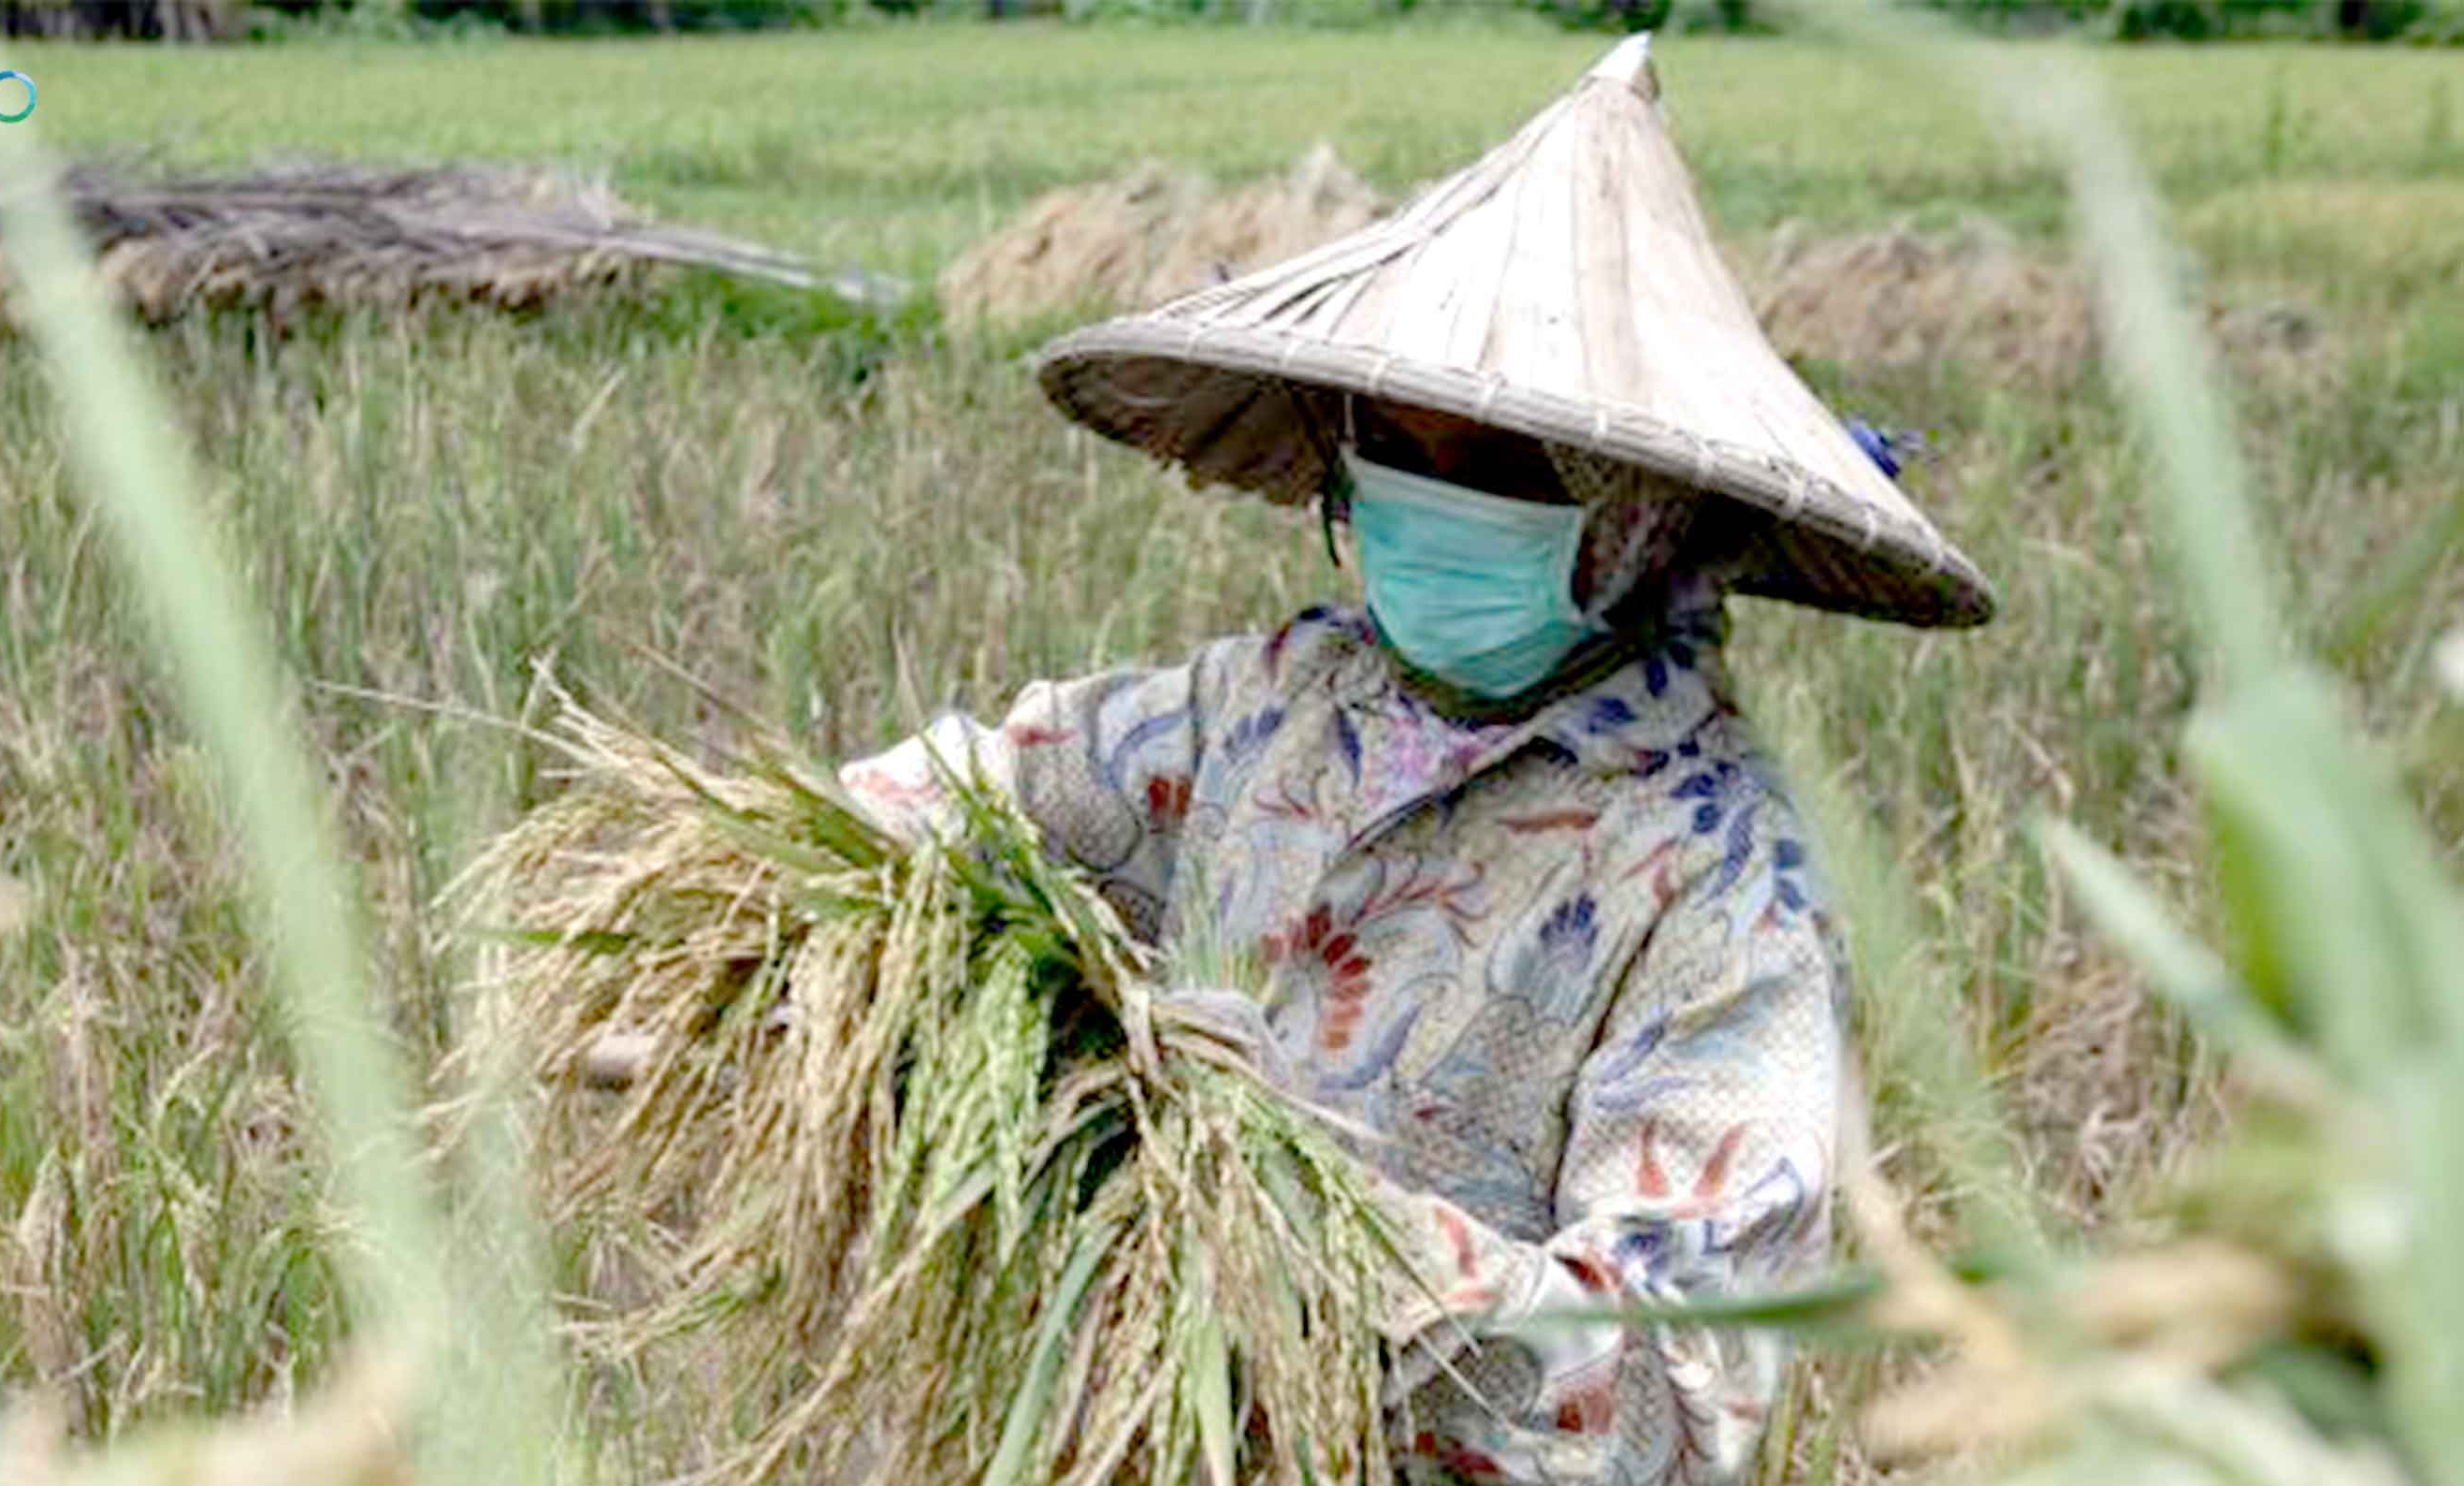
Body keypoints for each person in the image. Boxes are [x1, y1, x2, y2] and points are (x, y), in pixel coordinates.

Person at [833, 36, 1997, 1486]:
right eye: (1398, 450)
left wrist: (1280, 1194)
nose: (1436, 503)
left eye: (1505, 468)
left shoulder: (1720, 889)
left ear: (1643, 516)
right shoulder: (1270, 709)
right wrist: (814, 947)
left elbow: (1672, 1394)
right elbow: (971, 799)